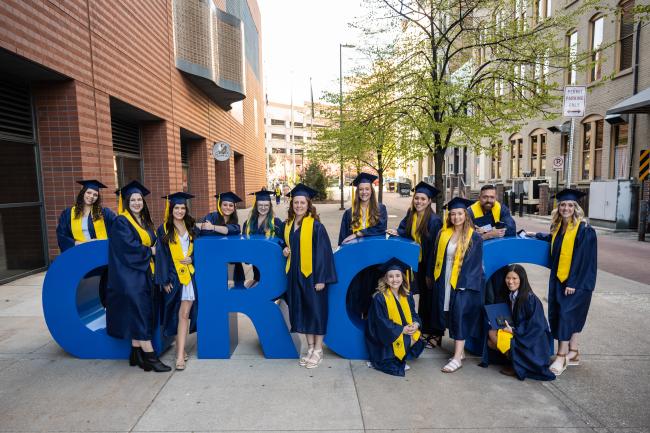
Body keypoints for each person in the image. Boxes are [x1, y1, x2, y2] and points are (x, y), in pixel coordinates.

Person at [529, 189, 597, 376]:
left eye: (570, 205)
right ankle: (573, 353)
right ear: (558, 208)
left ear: (576, 208)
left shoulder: (584, 230)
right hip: (561, 278)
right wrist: (537, 235)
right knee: (566, 315)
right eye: (563, 205)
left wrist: (572, 283)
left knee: (566, 316)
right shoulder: (560, 227)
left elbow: (583, 259)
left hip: (577, 281)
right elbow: (554, 242)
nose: (566, 208)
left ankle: (561, 356)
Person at [106, 180, 170, 372]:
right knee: (141, 313)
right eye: (132, 200)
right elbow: (127, 247)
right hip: (130, 277)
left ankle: (136, 354)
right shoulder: (121, 221)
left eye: (139, 199)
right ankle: (150, 357)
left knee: (142, 313)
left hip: (143, 274)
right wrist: (150, 251)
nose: (136, 203)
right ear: (127, 202)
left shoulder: (143, 220)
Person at [281, 183, 337, 369]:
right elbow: (286, 244)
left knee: (316, 311)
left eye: (302, 202)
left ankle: (319, 350)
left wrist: (321, 278)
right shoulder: (289, 225)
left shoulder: (316, 226)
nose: (298, 206)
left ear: (308, 204)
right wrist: (286, 250)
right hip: (295, 275)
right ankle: (310, 348)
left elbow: (324, 253)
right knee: (302, 310)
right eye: (296, 202)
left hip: (312, 276)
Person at [428, 197, 484, 373]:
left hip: (462, 283)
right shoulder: (443, 234)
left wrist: (462, 285)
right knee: (448, 313)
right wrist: (432, 276)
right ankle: (459, 352)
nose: (456, 217)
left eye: (459, 213)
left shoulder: (474, 237)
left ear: (466, 215)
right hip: (444, 279)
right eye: (452, 214)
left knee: (459, 314)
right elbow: (435, 256)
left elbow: (474, 264)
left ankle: (457, 357)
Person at [386, 181, 443, 348]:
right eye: (416, 198)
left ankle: (435, 335)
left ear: (429, 201)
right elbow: (404, 229)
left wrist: (429, 274)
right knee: (422, 299)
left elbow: (434, 250)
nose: (419, 201)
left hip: (429, 265)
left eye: (423, 199)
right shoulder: (412, 214)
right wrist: (398, 232)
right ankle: (424, 330)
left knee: (431, 299)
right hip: (415, 263)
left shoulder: (434, 221)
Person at [485, 264, 555, 381]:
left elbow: (536, 326)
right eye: (508, 278)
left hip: (532, 340)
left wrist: (514, 330)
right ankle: (515, 360)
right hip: (519, 333)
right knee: (491, 335)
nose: (510, 281)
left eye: (514, 278)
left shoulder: (530, 299)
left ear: (521, 279)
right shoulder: (511, 295)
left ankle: (518, 364)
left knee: (494, 339)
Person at [154, 192, 198, 371]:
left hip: (189, 277)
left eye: (182, 208)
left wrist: (192, 258)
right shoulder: (163, 229)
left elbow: (199, 249)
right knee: (176, 314)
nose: (179, 211)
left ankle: (180, 354)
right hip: (173, 277)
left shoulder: (191, 226)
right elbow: (162, 257)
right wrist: (163, 280)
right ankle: (181, 350)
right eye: (176, 208)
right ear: (171, 209)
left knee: (184, 315)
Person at [338, 172, 388, 319]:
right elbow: (343, 239)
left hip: (374, 260)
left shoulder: (380, 209)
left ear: (371, 191)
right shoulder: (349, 213)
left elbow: (380, 228)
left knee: (372, 295)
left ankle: (370, 330)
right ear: (357, 191)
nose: (364, 192)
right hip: (355, 262)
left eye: (367, 189)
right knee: (355, 295)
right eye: (361, 189)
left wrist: (358, 234)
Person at [365, 257, 424, 377]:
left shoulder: (407, 295)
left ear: (403, 278)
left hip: (400, 330)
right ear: (385, 280)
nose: (394, 279)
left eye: (397, 276)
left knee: (416, 336)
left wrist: (415, 324)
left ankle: (399, 353)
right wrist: (402, 329)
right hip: (384, 334)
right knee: (391, 362)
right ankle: (391, 355)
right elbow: (380, 322)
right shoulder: (380, 297)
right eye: (390, 276)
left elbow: (414, 314)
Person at [467, 184, 516, 304]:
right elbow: (467, 236)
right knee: (485, 293)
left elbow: (511, 229)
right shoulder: (471, 212)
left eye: (491, 197)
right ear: (479, 197)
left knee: (500, 290)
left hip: (499, 256)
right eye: (485, 197)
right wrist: (489, 234)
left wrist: (487, 231)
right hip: (479, 258)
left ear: (496, 197)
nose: (488, 200)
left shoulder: (501, 209)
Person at [56, 179, 116, 252]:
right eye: (89, 193)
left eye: (95, 195)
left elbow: (118, 225)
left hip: (101, 252)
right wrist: (79, 243)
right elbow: (62, 235)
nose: (91, 196)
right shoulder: (68, 214)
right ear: (83, 193)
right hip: (79, 252)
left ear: (97, 198)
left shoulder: (104, 213)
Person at [198, 191, 243, 288]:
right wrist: (225, 230)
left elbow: (235, 229)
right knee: (216, 284)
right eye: (225, 204)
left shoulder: (234, 220)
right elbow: (205, 232)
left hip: (229, 254)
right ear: (220, 205)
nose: (228, 207)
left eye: (231, 205)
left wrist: (213, 227)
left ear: (234, 208)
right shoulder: (211, 216)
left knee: (237, 273)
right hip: (212, 255)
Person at [241, 188, 284, 287]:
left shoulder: (276, 223)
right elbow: (245, 242)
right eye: (260, 205)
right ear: (256, 206)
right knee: (258, 282)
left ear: (270, 206)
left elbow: (282, 242)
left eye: (266, 205)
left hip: (271, 263)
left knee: (270, 285)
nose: (263, 208)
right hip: (255, 263)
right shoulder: (248, 223)